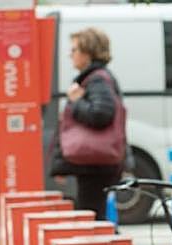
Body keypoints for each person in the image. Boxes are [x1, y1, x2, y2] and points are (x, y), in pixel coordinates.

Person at [49, 28, 127, 220]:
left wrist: (76, 101)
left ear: (88, 52)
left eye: (74, 49)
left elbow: (101, 114)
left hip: (95, 163)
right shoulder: (96, 78)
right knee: (94, 215)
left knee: (91, 217)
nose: (70, 54)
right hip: (96, 162)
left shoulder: (97, 79)